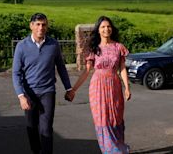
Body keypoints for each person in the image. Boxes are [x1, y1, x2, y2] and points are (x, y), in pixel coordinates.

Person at [66, 16, 131, 153]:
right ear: (98, 30)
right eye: (103, 27)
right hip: (98, 86)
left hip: (114, 85)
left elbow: (123, 69)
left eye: (108, 26)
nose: (106, 29)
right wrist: (74, 90)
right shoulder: (94, 49)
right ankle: (111, 151)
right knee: (102, 119)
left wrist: (127, 88)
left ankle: (119, 146)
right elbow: (86, 71)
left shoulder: (118, 47)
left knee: (115, 118)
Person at [12, 13, 73, 154]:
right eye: (38, 24)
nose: (41, 27)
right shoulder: (22, 46)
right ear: (31, 26)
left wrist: (68, 88)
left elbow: (61, 67)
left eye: (44, 24)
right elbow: (16, 73)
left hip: (47, 91)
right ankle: (36, 150)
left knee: (46, 128)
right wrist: (21, 96)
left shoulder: (53, 44)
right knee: (31, 127)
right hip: (29, 93)